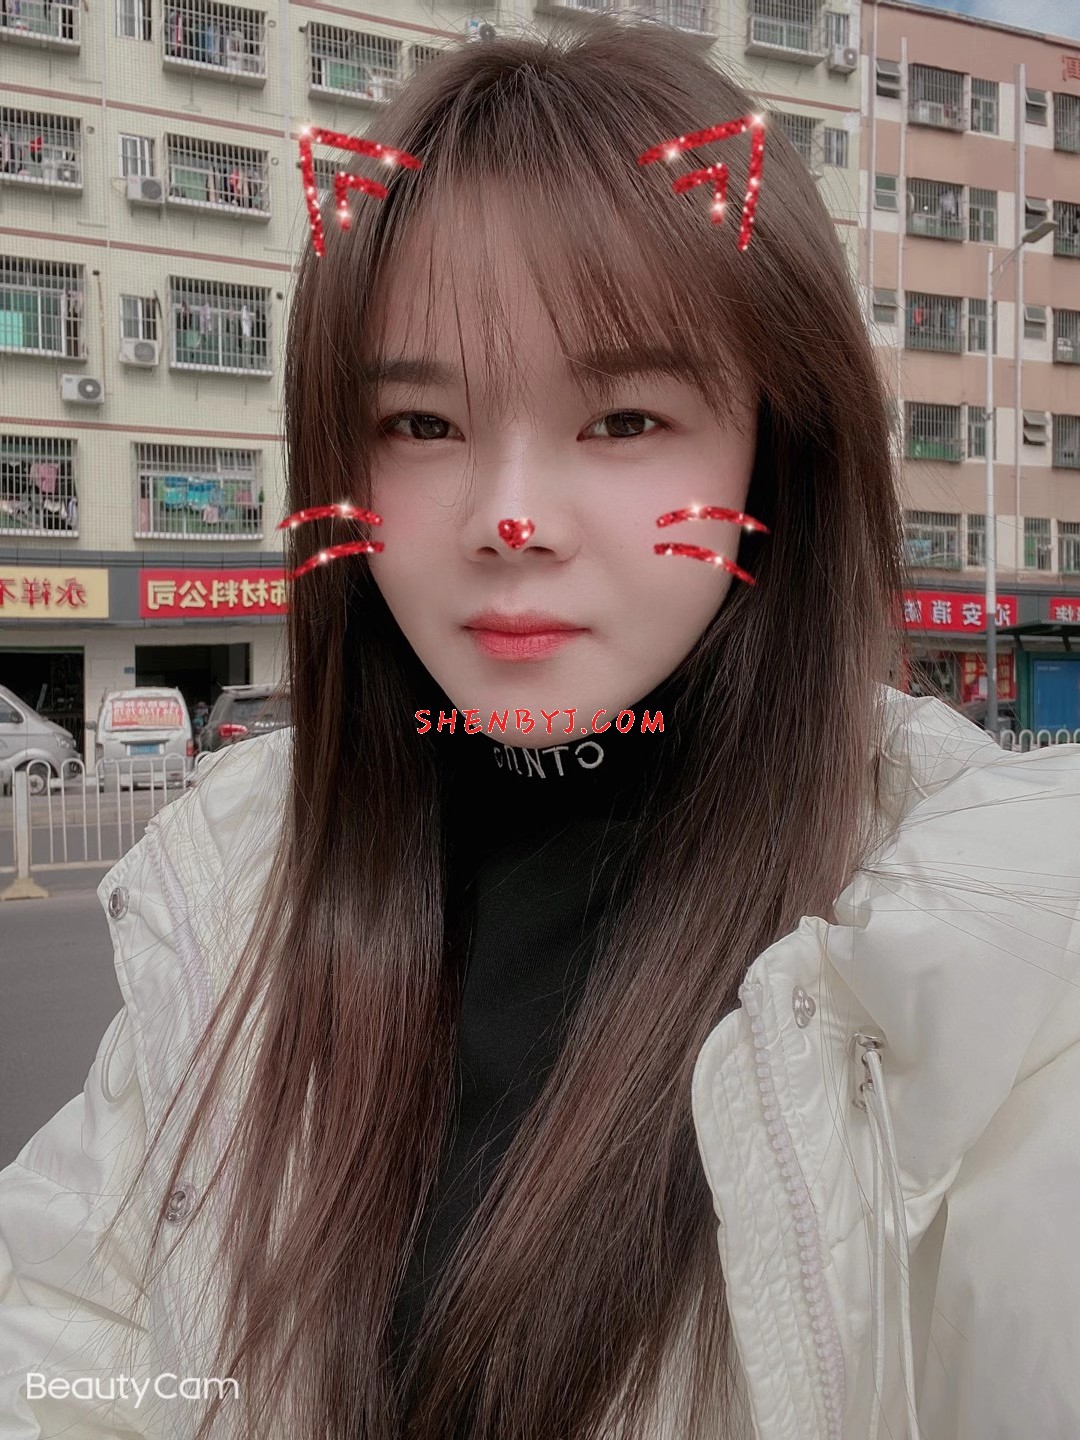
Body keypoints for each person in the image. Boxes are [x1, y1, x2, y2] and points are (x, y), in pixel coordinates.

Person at [2, 14, 1080, 1440]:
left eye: (624, 419)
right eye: (422, 426)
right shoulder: (241, 874)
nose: (511, 521)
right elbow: (66, 1340)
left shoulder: (987, 934)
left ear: (779, 449)